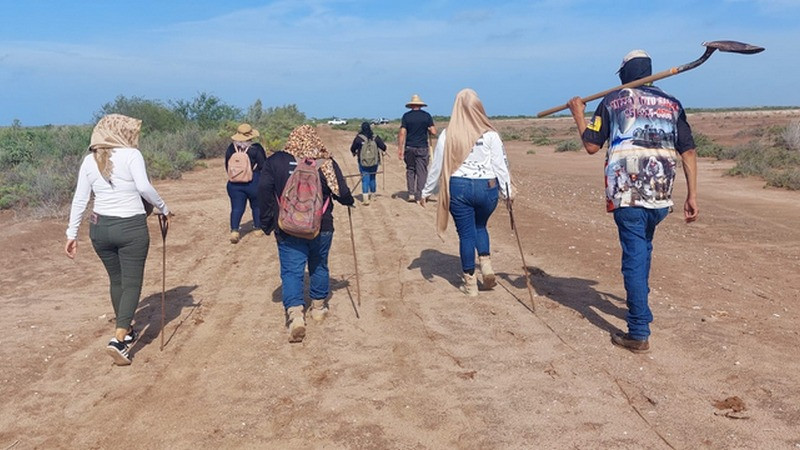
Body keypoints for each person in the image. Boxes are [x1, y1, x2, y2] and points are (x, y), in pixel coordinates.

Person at [567, 49, 699, 353]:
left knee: (635, 258)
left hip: (628, 192)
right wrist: (692, 194)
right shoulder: (672, 103)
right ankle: (642, 311)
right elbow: (688, 151)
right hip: (662, 193)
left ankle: (638, 330)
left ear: (625, 74)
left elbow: (590, 144)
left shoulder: (612, 101)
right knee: (644, 248)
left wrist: (577, 112)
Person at [65, 113, 171, 366]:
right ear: (122, 133)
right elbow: (144, 188)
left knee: (117, 280)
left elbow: (80, 199)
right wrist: (164, 208)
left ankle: (128, 329)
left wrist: (71, 234)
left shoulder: (89, 160)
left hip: (99, 229)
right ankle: (119, 340)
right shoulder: (132, 155)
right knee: (132, 283)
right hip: (130, 227)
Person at [258, 125, 354, 343]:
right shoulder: (325, 162)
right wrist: (349, 201)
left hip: (288, 227)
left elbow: (263, 191)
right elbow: (343, 193)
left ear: (292, 138)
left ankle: (295, 316)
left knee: (292, 271)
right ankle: (318, 308)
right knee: (319, 264)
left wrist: (266, 223)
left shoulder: (276, 161)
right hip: (322, 226)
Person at [420, 89, 512, 297]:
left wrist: (427, 191)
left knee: (466, 234)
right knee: (480, 226)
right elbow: (500, 166)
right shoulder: (491, 134)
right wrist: (507, 192)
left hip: (459, 187)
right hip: (487, 188)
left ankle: (470, 283)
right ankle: (486, 267)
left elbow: (437, 166)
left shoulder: (448, 134)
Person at [225, 123, 267, 244]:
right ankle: (257, 228)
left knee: (237, 207)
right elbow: (263, 165)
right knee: (256, 206)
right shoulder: (256, 148)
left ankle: (234, 230)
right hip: (253, 181)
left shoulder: (231, 148)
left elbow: (227, 165)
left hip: (234, 183)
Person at [398, 94, 437, 202]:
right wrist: (428, 129)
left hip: (409, 147)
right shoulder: (426, 116)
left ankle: (411, 193)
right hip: (422, 148)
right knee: (422, 172)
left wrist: (400, 149)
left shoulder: (406, 116)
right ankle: (419, 195)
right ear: (420, 105)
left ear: (411, 106)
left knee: (410, 169)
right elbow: (434, 132)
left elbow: (402, 133)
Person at [350, 121, 387, 205]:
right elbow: (384, 147)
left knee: (365, 179)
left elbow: (352, 148)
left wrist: (355, 152)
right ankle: (373, 195)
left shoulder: (358, 138)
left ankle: (365, 198)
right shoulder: (375, 137)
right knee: (373, 178)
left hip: (363, 162)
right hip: (374, 162)